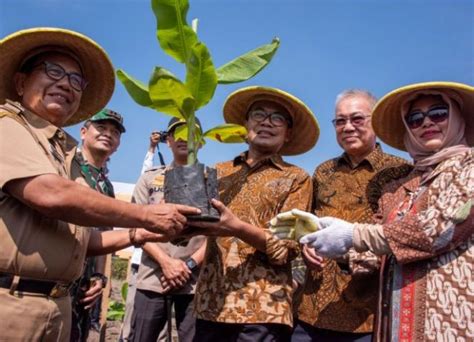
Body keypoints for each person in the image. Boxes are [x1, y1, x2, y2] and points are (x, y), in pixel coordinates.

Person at [0, 27, 200, 341]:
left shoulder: (61, 151)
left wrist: (141, 233)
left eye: (76, 79)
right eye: (53, 71)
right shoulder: (7, 126)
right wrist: (146, 216)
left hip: (55, 307)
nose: (65, 83)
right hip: (11, 305)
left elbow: (85, 240)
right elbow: (50, 193)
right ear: (21, 82)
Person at [297, 82, 473, 341]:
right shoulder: (402, 185)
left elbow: (441, 228)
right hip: (395, 325)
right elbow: (379, 254)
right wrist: (332, 245)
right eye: (414, 118)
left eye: (438, 113)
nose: (426, 123)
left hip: (448, 321)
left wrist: (352, 235)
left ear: (458, 118)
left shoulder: (468, 166)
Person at [273, 89, 410, 341]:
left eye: (357, 119)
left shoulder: (401, 173)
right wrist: (305, 246)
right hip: (311, 310)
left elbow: (401, 238)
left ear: (376, 122)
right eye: (340, 121)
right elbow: (308, 224)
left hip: (368, 315)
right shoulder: (323, 172)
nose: (348, 127)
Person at [190, 86, 320, 341]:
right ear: (245, 126)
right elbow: (190, 232)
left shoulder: (297, 178)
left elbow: (286, 248)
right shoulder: (217, 171)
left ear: (288, 133)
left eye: (277, 118)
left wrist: (235, 226)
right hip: (210, 304)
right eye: (258, 114)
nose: (266, 123)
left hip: (263, 309)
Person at [128, 118, 207, 342]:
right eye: (177, 133)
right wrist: (165, 262)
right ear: (168, 140)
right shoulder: (149, 178)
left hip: (194, 281)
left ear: (201, 142)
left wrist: (188, 265)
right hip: (153, 276)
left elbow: (218, 233)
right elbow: (135, 224)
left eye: (191, 133)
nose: (184, 138)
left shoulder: (211, 180)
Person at [70, 109, 127, 341]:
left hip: (87, 287)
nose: (108, 134)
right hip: (59, 277)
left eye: (114, 132)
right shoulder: (68, 167)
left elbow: (105, 237)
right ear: (84, 132)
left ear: (118, 144)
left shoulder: (107, 187)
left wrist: (99, 278)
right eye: (101, 128)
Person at [121, 131, 162, 342]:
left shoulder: (198, 177)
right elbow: (144, 175)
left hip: (180, 267)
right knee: (133, 318)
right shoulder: (153, 176)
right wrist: (152, 149)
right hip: (144, 261)